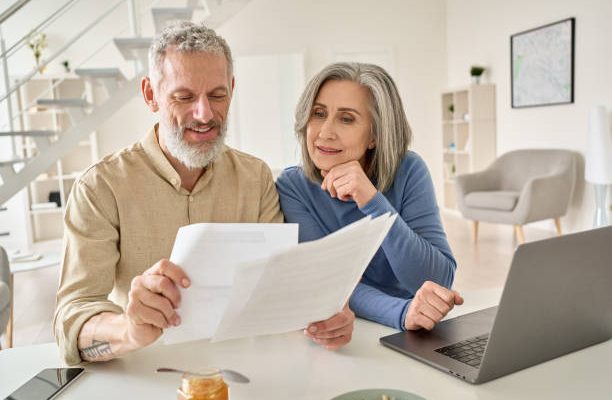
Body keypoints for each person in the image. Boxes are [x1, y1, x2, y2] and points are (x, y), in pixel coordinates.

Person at [53, 22, 352, 365]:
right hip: (147, 376)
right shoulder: (100, 187)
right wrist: (128, 330)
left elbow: (279, 288)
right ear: (150, 95)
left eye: (217, 95)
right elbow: (71, 318)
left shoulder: (255, 178)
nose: (205, 114)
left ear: (233, 89)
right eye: (184, 97)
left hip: (245, 372)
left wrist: (325, 311)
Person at [276, 62, 464, 335]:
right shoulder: (293, 186)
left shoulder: (409, 170)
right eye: (318, 114)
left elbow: (437, 279)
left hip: (412, 329)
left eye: (346, 118)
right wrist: (401, 313)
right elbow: (328, 282)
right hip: (346, 328)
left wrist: (374, 203)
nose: (325, 132)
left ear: (375, 135)